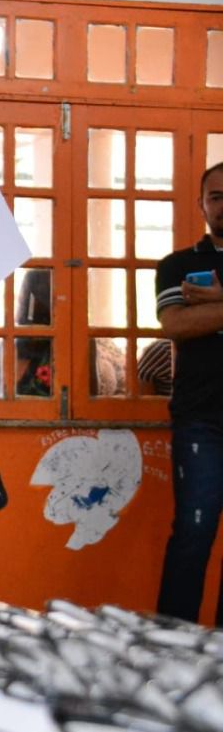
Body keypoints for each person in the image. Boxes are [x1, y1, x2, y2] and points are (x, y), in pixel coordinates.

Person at [153, 160, 223, 626]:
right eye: (216, 196)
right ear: (201, 205)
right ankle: (169, 646)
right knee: (193, 534)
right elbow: (177, 324)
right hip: (202, 419)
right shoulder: (177, 265)